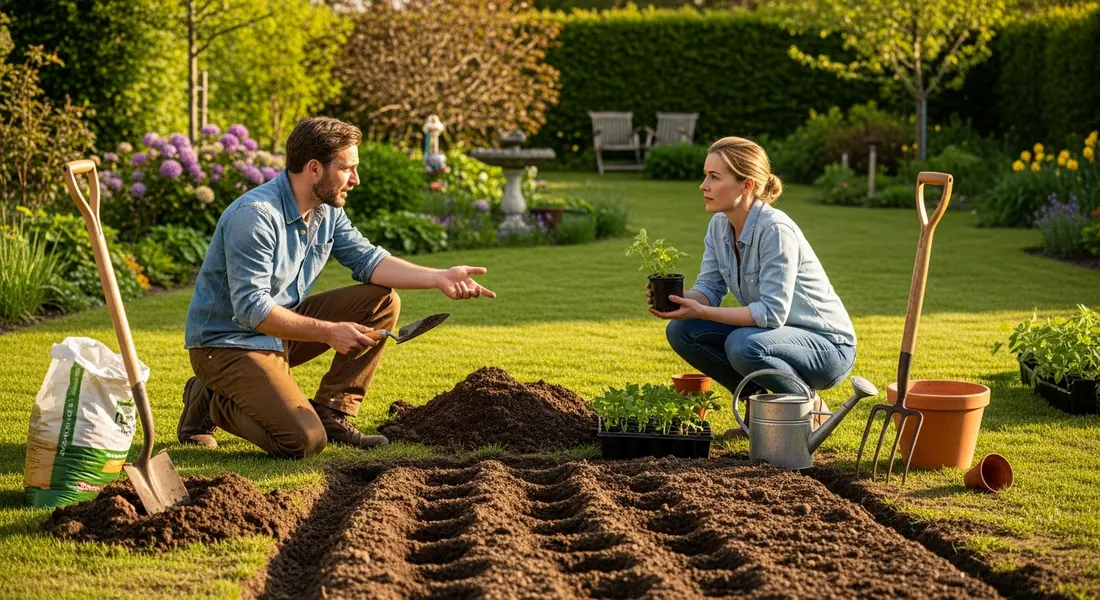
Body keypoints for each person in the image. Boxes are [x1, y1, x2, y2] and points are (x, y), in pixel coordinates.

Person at [178, 116, 495, 458]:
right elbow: (251, 309)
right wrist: (329, 332)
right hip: (227, 343)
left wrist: (440, 277)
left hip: (278, 330)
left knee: (382, 302)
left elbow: (370, 262)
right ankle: (212, 398)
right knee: (303, 441)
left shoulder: (325, 211)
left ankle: (332, 411)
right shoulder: (255, 216)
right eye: (347, 169)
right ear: (314, 168)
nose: (355, 179)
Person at [648, 136, 856, 431]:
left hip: (827, 347)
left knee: (743, 345)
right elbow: (709, 289)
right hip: (773, 338)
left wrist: (703, 312)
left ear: (746, 185)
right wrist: (679, 299)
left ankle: (811, 407)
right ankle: (758, 408)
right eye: (705, 175)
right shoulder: (720, 225)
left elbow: (771, 314)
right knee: (682, 330)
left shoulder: (775, 230)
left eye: (714, 177)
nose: (703, 185)